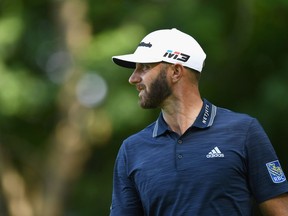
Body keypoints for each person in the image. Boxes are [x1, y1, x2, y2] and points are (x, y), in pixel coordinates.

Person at [110, 28, 288, 215]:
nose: (133, 78)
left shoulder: (243, 132)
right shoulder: (132, 150)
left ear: (176, 71)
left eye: (144, 67)